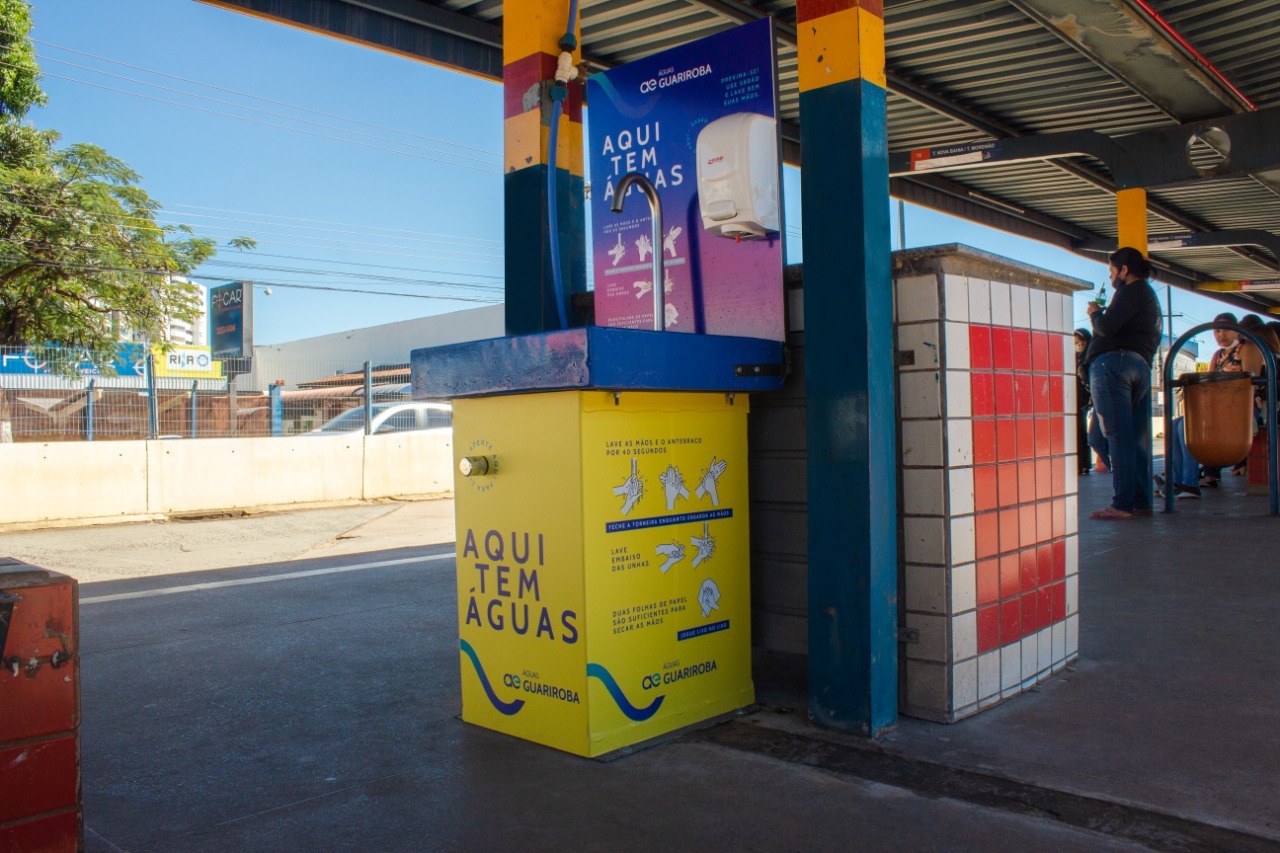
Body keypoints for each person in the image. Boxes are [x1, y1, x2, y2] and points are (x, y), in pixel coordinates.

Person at [1085, 247, 1162, 519]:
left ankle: (1123, 502)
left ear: (1124, 270)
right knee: (1121, 438)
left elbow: (1107, 328)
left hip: (1114, 366)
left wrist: (1095, 314)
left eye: (1111, 271)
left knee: (1114, 436)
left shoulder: (1130, 291)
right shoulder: (1147, 297)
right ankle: (1138, 498)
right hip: (1139, 368)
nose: (1111, 276)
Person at [1199, 312, 1242, 487]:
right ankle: (1182, 477)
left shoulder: (1247, 349)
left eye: (1225, 330)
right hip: (1219, 405)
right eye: (1216, 331)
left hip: (1241, 406)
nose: (1220, 335)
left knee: (1211, 426)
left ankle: (1209, 473)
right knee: (1179, 425)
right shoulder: (1217, 355)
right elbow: (1209, 381)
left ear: (1236, 330)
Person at [1074, 329, 1093, 475]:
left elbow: (1087, 378)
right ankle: (1080, 463)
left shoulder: (1088, 357)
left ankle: (1083, 464)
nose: (1076, 345)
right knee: (1076, 431)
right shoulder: (1076, 357)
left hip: (1082, 398)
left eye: (1078, 342)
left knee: (1080, 431)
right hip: (1073, 397)